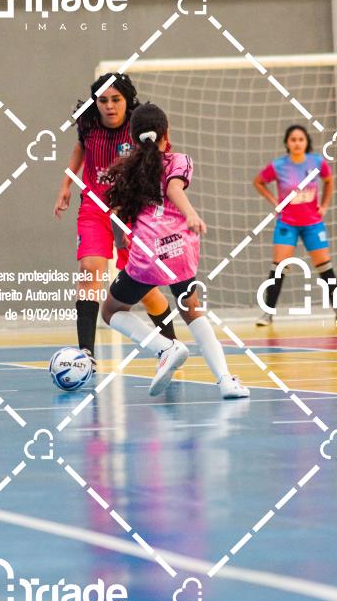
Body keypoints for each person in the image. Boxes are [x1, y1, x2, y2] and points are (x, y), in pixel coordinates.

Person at [100, 102, 250, 399]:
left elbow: (115, 214)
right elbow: (173, 189)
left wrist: (120, 243)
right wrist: (191, 215)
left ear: (133, 138)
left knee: (111, 311)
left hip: (147, 256)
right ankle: (225, 381)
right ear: (166, 134)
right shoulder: (180, 160)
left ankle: (165, 348)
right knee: (192, 309)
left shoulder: (127, 170)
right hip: (180, 250)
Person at [53, 73, 174, 374]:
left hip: (130, 211)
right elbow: (80, 148)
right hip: (94, 208)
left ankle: (171, 347)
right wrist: (66, 184)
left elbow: (159, 162)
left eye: (116, 99)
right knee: (89, 270)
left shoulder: (139, 128)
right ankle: (86, 354)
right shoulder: (88, 122)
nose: (109, 106)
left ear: (127, 100)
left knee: (144, 289)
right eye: (103, 100)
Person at [253, 124, 337, 325]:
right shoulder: (278, 165)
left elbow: (329, 180)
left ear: (306, 142)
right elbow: (258, 181)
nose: (297, 143)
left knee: (325, 266)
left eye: (301, 139)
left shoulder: (317, 162)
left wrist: (325, 205)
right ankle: (267, 314)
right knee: (279, 267)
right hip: (287, 223)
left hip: (312, 224)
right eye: (293, 140)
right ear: (287, 143)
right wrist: (275, 202)